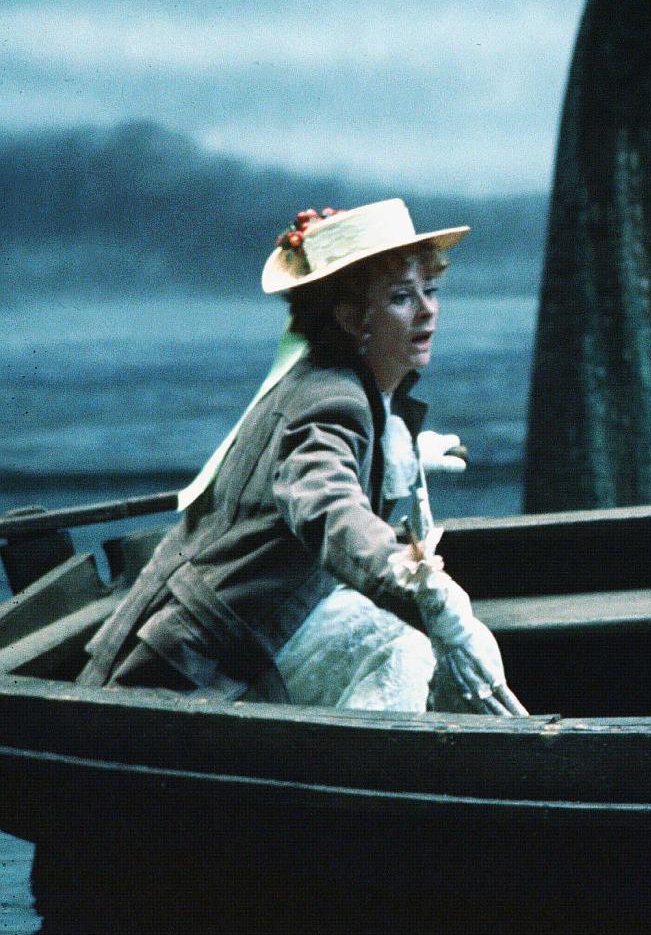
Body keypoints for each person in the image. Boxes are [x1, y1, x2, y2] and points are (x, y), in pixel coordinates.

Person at [80, 198, 524, 714]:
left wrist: (390, 457)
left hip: (248, 626)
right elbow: (326, 507)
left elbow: (321, 475)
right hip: (198, 662)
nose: (427, 309)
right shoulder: (330, 401)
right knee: (406, 649)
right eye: (403, 297)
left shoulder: (333, 382)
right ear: (352, 317)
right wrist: (423, 589)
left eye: (430, 290)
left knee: (403, 643)